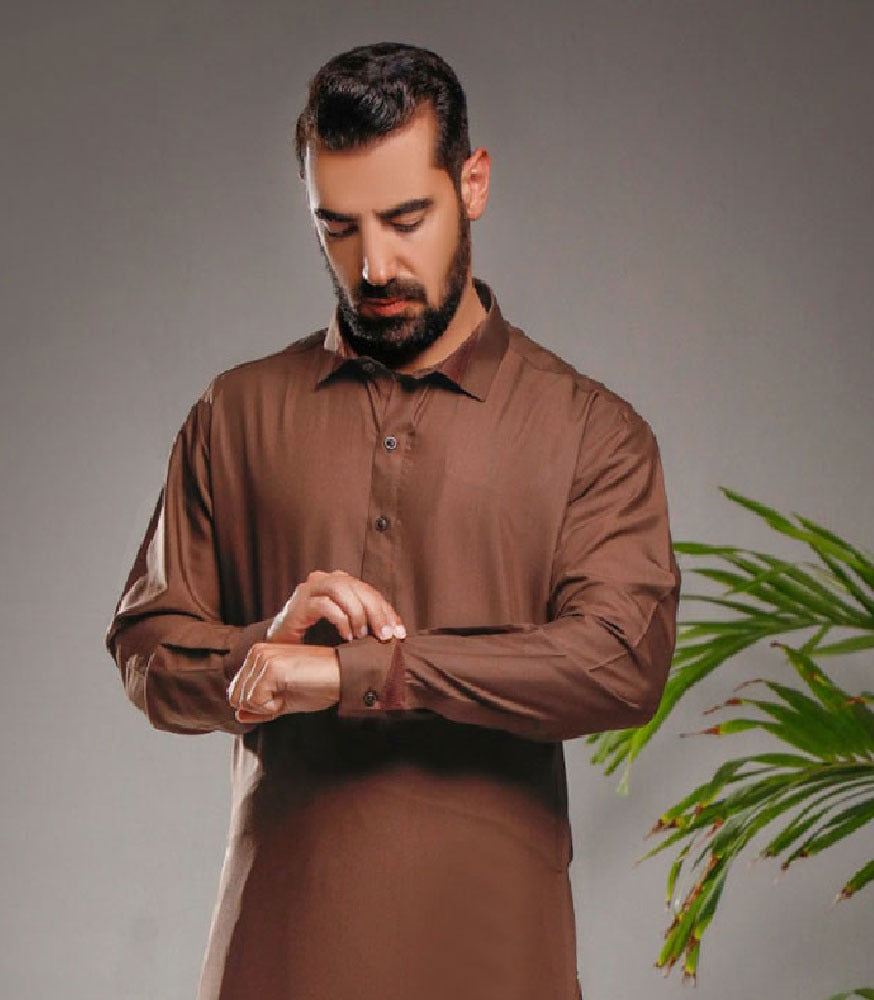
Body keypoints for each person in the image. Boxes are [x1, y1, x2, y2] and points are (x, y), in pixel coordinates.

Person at [106, 41, 680, 1000]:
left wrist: (357, 673)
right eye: (337, 228)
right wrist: (260, 655)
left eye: (406, 220)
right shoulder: (235, 414)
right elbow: (146, 648)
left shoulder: (591, 432)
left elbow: (621, 661)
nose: (373, 265)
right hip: (274, 962)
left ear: (474, 183)